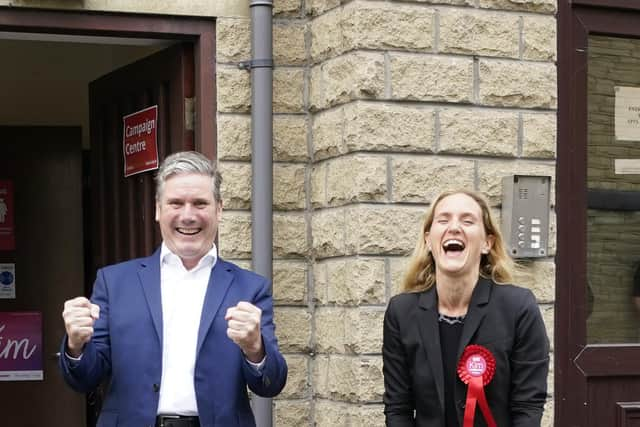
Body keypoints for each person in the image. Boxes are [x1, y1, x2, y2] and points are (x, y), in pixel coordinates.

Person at [59, 151, 287, 427]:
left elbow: (271, 383)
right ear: (158, 209)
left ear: (219, 209)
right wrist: (75, 344)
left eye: (200, 203)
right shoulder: (114, 282)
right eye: (176, 203)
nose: (188, 215)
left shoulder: (249, 288)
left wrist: (255, 349)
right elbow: (84, 378)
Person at [383, 189, 549, 427]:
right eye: (443, 219)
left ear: (486, 244)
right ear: (429, 240)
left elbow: (528, 407)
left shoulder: (519, 308)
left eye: (468, 220)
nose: (454, 227)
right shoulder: (401, 312)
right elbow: (398, 407)